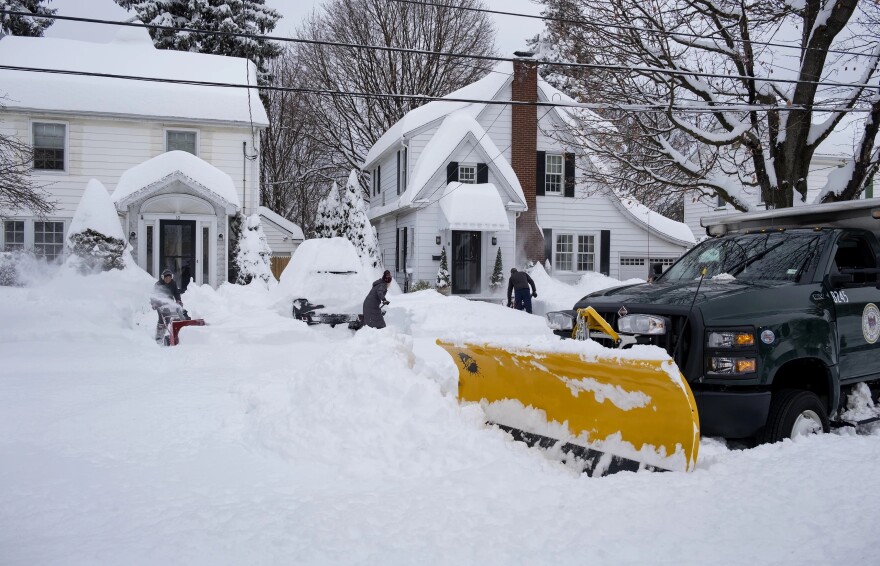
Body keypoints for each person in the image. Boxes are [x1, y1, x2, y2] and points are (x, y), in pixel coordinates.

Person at [151, 269, 183, 341]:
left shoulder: (173, 283)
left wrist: (178, 300)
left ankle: (169, 332)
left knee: (169, 319)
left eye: (170, 277)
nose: (168, 279)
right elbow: (153, 295)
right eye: (166, 277)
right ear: (163, 277)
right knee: (162, 319)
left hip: (170, 303)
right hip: (160, 305)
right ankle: (159, 335)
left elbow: (176, 293)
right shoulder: (158, 284)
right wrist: (154, 303)